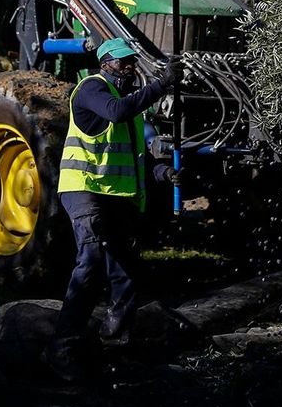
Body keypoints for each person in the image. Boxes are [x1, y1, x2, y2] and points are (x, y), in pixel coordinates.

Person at [44, 36, 183, 381]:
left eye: (132, 63)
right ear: (105, 63)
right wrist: (161, 84)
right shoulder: (92, 88)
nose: (130, 68)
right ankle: (63, 344)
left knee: (126, 267)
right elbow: (116, 112)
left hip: (114, 195)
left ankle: (114, 336)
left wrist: (163, 172)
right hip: (83, 189)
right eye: (123, 63)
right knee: (90, 260)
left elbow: (135, 156)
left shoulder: (131, 106)